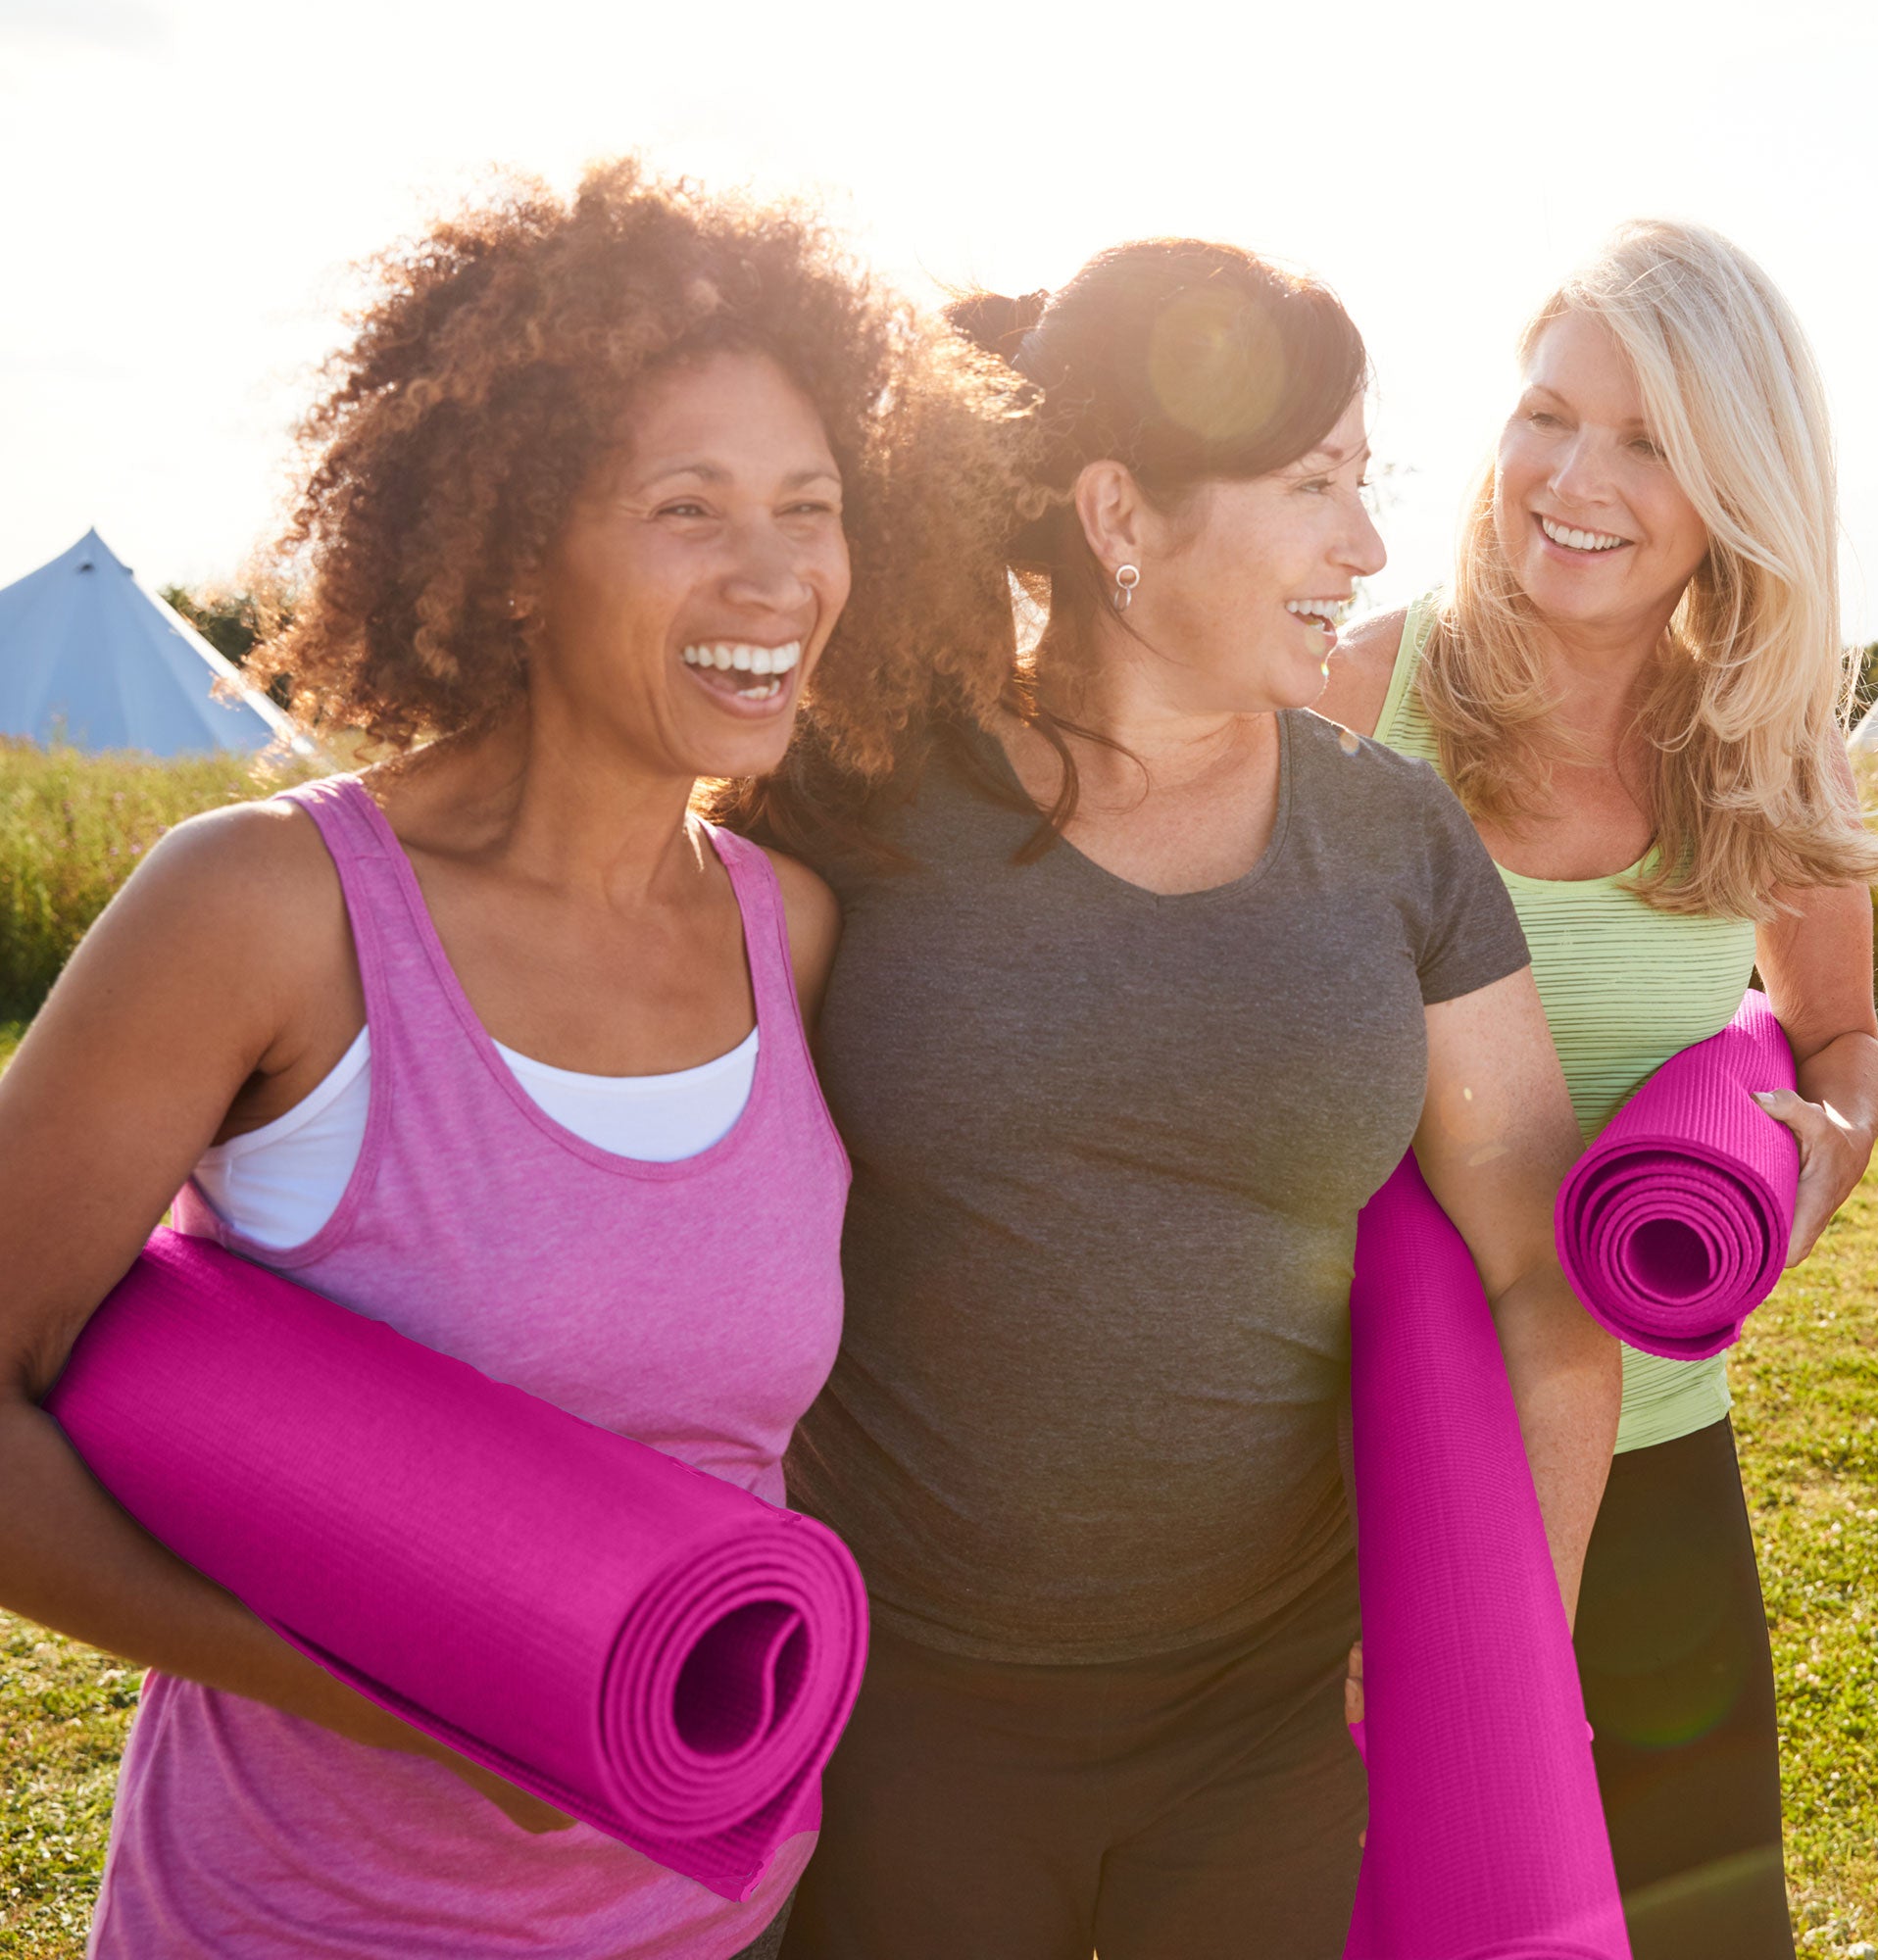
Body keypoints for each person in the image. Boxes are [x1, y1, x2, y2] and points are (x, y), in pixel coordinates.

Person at [0, 163, 1006, 1960]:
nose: (774, 573)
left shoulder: (801, 934)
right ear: (524, 551)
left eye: (813, 506)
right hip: (303, 1919)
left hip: (717, 1910)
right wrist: (429, 1688)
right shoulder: (267, 908)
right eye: (687, 507)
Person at [729, 241, 1624, 1960]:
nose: (1367, 547)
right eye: (1315, 487)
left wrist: (1507, 1634)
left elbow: (1537, 1263)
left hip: (1271, 1729)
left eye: (1367, 484)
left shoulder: (1391, 835)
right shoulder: (855, 800)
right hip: (899, 1707)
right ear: (1120, 514)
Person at [1319, 219, 1878, 1960]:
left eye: (1647, 440)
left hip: (1652, 1462)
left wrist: (1814, 1162)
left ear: (1735, 483)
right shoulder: (1363, 696)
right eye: (1546, 413)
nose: (1573, 477)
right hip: (1357, 1469)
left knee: (1700, 1927)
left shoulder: (1766, 741)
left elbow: (1841, 1046)